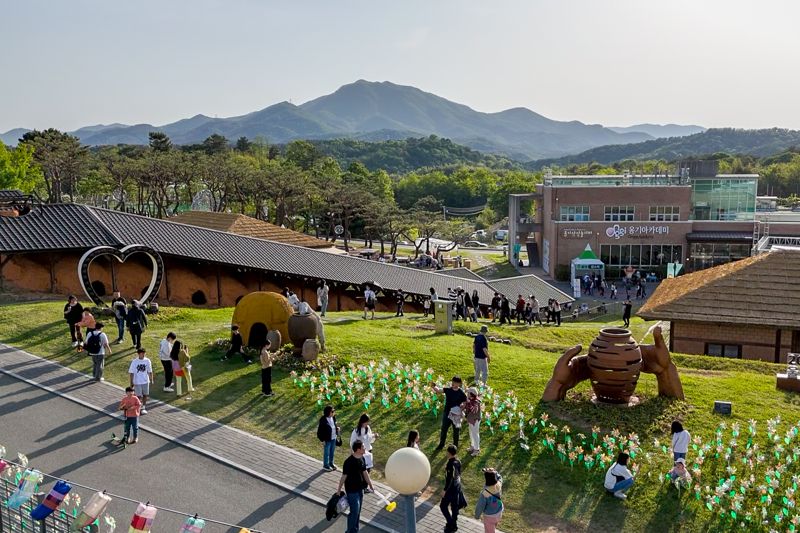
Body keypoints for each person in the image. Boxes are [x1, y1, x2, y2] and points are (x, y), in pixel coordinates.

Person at [336, 440, 374, 533]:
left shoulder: (362, 458)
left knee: (357, 513)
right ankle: (349, 531)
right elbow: (344, 476)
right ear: (358, 449)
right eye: (363, 447)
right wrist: (339, 490)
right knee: (354, 512)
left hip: (360, 490)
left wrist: (370, 485)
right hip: (352, 491)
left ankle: (354, 530)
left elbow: (365, 473)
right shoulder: (348, 462)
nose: (365, 448)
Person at [434, 376, 467, 450]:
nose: (453, 383)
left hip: (456, 414)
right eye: (453, 382)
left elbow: (465, 401)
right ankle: (441, 444)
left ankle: (455, 446)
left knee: (456, 430)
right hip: (447, 413)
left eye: (455, 382)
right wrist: (434, 386)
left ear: (459, 384)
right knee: (444, 429)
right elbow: (439, 390)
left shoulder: (461, 392)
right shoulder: (448, 390)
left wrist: (462, 407)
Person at [440, 445, 466, 533]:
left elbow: (450, 479)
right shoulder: (458, 461)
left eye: (447, 452)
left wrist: (444, 490)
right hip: (457, 488)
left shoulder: (450, 464)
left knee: (443, 506)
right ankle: (453, 524)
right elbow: (458, 474)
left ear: (449, 453)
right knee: (454, 507)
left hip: (450, 490)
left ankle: (451, 523)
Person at [474, 468, 504, 533]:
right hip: (499, 511)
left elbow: (480, 506)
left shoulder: (484, 493)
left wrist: (477, 516)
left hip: (490, 516)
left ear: (486, 478)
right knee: (494, 525)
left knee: (489, 531)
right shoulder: (498, 484)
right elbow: (500, 477)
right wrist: (494, 472)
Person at [128, 348, 153, 415]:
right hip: (137, 381)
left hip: (145, 381)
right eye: (142, 353)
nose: (143, 355)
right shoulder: (134, 362)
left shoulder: (147, 361)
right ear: (138, 354)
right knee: (138, 396)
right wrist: (131, 383)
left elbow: (150, 371)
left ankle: (143, 407)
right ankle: (137, 407)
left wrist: (151, 379)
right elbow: (131, 373)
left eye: (144, 353)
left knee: (145, 395)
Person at [317, 405, 340, 471]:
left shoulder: (333, 418)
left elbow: (334, 425)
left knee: (332, 452)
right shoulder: (323, 419)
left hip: (333, 438)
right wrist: (322, 440)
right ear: (328, 412)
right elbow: (320, 431)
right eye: (332, 411)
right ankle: (326, 465)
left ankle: (331, 463)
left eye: (334, 411)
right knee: (326, 453)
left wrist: (337, 428)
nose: (334, 412)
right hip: (327, 439)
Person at [462, 387, 482, 456]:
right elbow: (466, 408)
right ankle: (472, 446)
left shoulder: (476, 401)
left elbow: (474, 410)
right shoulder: (470, 399)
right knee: (471, 433)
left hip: (475, 420)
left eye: (468, 393)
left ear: (471, 394)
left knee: (475, 434)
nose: (467, 394)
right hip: (470, 419)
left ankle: (477, 450)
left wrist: (468, 402)